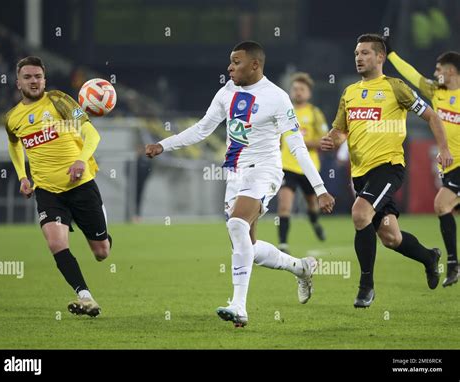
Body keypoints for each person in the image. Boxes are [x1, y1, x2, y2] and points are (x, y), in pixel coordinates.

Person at [146, 41, 335, 327]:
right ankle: (301, 267)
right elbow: (202, 128)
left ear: (255, 65)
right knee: (247, 244)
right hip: (234, 175)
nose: (229, 67)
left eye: (236, 62)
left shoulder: (277, 97)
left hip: (264, 171)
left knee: (236, 225)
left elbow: (296, 147)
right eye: (230, 62)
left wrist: (320, 189)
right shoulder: (227, 92)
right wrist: (164, 144)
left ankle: (239, 306)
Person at [320, 34, 453, 308]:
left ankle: (365, 287)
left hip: (389, 166)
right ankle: (429, 257)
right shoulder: (349, 92)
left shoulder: (395, 87)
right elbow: (340, 130)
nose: (359, 57)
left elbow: (431, 115)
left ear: (380, 57)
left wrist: (444, 149)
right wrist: (331, 139)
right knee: (391, 237)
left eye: (366, 53)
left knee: (360, 213)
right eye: (357, 53)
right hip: (361, 173)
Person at [5, 56, 112, 317]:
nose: (34, 81)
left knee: (102, 253)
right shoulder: (12, 118)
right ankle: (85, 296)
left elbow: (91, 133)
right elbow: (14, 145)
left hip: (80, 184)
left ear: (45, 79)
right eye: (28, 77)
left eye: (38, 76)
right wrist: (22, 176)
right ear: (18, 82)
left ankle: (102, 230)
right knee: (56, 243)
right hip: (47, 191)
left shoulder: (59, 101)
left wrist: (80, 159)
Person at [385, 41, 460, 287]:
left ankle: (452, 264)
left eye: (439, 68)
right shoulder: (436, 91)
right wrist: (392, 53)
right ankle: (452, 264)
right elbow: (412, 75)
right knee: (447, 208)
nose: (435, 72)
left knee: (441, 203)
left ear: (451, 70)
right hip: (449, 165)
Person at [278, 72, 328, 253]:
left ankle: (314, 221)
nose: (298, 92)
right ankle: (283, 245)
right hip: (287, 166)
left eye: (302, 89)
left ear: (309, 93)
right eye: (295, 89)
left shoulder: (315, 114)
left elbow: (323, 141)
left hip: (309, 167)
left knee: (312, 205)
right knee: (284, 205)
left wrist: (299, 143)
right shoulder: (284, 112)